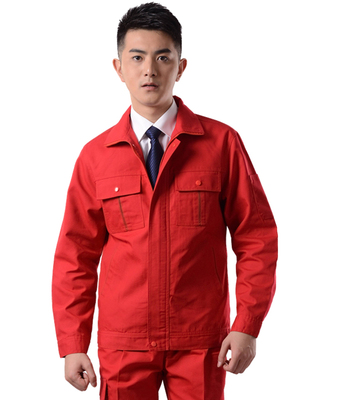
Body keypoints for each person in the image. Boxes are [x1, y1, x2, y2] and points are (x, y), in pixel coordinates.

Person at [52, 3, 278, 399]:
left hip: (200, 339)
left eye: (162, 57)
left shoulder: (221, 144)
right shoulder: (96, 156)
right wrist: (73, 343)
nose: (149, 71)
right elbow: (75, 255)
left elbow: (256, 237)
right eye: (137, 58)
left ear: (181, 66)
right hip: (125, 341)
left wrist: (247, 324)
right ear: (118, 67)